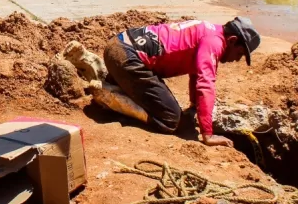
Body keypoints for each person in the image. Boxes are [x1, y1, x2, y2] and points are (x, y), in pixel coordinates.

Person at [98, 17, 260, 147]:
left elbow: (196, 74)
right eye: (239, 53)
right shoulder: (214, 42)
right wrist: (208, 134)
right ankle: (114, 99)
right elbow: (205, 85)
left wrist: (194, 106)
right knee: (170, 119)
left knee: (162, 101)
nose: (236, 60)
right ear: (232, 40)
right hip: (127, 56)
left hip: (119, 45)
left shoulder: (210, 30)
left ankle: (115, 81)